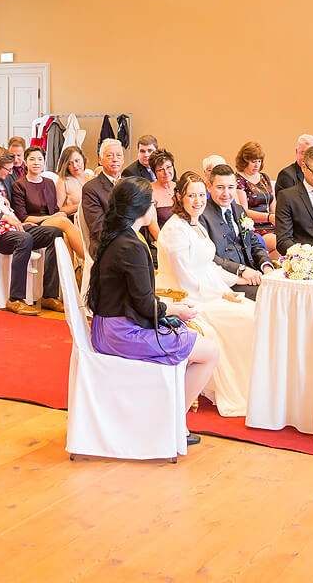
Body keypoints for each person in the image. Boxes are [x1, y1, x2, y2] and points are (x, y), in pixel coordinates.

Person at [86, 178, 220, 446]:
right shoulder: (131, 246)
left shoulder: (118, 239)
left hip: (109, 327)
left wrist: (171, 310)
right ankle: (172, 420)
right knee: (209, 352)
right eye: (152, 203)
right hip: (121, 333)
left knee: (192, 341)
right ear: (140, 209)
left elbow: (138, 299)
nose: (156, 207)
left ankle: (165, 416)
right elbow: (146, 305)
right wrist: (178, 310)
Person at [157, 172, 256, 417]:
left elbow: (208, 265)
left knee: (254, 310)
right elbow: (187, 278)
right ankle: (243, 388)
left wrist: (236, 280)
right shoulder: (175, 230)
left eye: (202, 195)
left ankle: (255, 385)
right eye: (192, 195)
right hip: (185, 298)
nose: (199, 200)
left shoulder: (195, 224)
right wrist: (222, 295)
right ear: (179, 196)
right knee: (247, 319)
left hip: (206, 292)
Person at [0, 148, 63, 314]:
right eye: (8, 169)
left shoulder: (6, 180)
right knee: (23, 239)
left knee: (54, 233)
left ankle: (49, 296)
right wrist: (3, 218)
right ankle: (15, 299)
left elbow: (14, 208)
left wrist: (26, 221)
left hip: (12, 228)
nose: (11, 172)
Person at [199, 163, 272, 300]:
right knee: (270, 296)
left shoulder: (239, 210)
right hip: (228, 280)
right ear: (209, 186)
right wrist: (241, 270)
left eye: (231, 187)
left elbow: (254, 243)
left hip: (254, 274)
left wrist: (266, 265)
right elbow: (209, 257)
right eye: (220, 187)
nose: (226, 193)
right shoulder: (202, 216)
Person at [11, 145, 86, 263]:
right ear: (25, 162)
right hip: (33, 224)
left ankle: (69, 278)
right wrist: (52, 217)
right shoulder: (19, 185)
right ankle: (90, 259)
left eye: (40, 159)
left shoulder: (49, 182)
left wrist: (58, 214)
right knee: (63, 222)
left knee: (65, 238)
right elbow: (23, 217)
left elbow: (55, 209)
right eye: (32, 159)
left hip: (51, 222)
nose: (36, 163)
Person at [80, 139, 125, 254]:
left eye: (119, 155)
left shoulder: (128, 184)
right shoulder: (91, 188)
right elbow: (98, 228)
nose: (115, 159)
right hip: (105, 246)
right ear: (100, 160)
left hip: (131, 240)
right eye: (110, 156)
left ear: (123, 159)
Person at [233, 141, 277, 256]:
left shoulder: (264, 177)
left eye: (259, 161)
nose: (257, 165)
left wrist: (279, 219)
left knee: (290, 241)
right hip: (255, 228)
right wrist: (269, 217)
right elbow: (244, 211)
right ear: (244, 161)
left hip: (272, 225)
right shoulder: (239, 180)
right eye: (253, 162)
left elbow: (273, 204)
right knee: (279, 243)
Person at [54, 146, 93, 221]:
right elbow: (57, 210)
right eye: (69, 163)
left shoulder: (91, 178)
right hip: (74, 219)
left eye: (77, 160)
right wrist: (80, 206)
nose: (74, 166)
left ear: (83, 159)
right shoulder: (63, 181)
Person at [148, 150, 177, 231]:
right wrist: (162, 243)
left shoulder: (179, 187)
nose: (166, 172)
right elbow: (152, 223)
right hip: (161, 238)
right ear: (154, 173)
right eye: (160, 169)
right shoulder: (149, 191)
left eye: (168, 167)